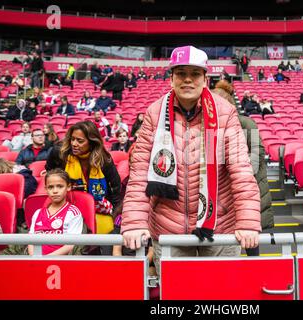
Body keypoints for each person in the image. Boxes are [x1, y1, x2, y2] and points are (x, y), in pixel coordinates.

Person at [121, 46, 260, 275]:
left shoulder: (225, 112)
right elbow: (140, 172)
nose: (187, 80)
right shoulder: (154, 113)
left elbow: (242, 170)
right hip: (168, 227)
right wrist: (135, 222)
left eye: (195, 74)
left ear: (205, 79)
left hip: (220, 224)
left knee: (221, 296)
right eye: (180, 73)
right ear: (171, 79)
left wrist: (247, 223)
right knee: (176, 295)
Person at [212, 80, 273, 256]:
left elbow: (257, 157)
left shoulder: (247, 123)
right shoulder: (210, 128)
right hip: (222, 193)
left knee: (250, 239)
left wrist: (235, 172)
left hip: (247, 190)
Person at [45, 121, 121, 235]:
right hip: (67, 206)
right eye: (72, 139)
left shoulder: (103, 159)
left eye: (80, 141)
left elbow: (116, 187)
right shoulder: (59, 153)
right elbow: (51, 172)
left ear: (91, 142)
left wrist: (115, 215)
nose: (74, 144)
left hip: (98, 209)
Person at [28, 169, 83, 256]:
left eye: (60, 186)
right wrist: (34, 257)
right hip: (37, 260)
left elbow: (71, 245)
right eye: (50, 187)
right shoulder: (38, 213)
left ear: (68, 187)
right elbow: (31, 241)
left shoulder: (73, 212)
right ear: (46, 189)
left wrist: (47, 258)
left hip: (61, 262)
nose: (55, 191)